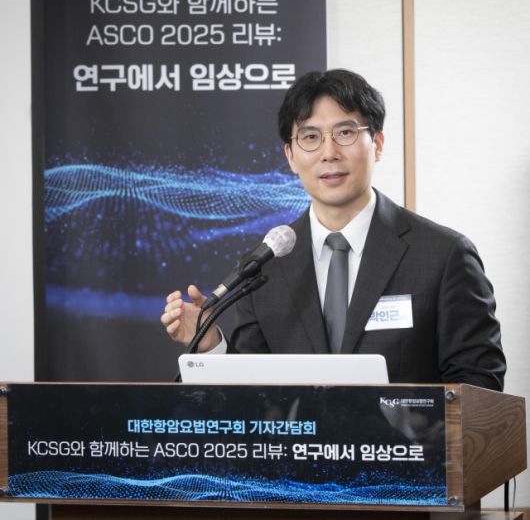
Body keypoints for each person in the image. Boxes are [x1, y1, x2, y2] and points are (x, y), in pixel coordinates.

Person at [161, 69, 506, 391]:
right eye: (310, 137)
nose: (329, 153)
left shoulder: (443, 256)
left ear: (377, 143)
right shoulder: (264, 267)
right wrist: (210, 344)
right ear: (291, 156)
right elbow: (255, 395)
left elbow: (479, 384)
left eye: (345, 133)